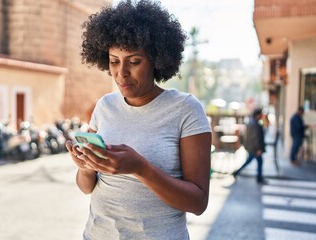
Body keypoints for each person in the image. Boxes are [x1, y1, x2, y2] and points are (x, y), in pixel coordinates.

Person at [65, 1, 212, 239]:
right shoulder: (104, 106)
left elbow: (197, 202)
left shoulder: (185, 109)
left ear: (156, 60)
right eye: (114, 61)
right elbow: (86, 187)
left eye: (134, 62)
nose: (121, 73)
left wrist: (140, 168)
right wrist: (86, 167)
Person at [233, 108, 266, 184]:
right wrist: (258, 149)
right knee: (258, 162)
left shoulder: (251, 122)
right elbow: (256, 138)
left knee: (249, 161)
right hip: (254, 148)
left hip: (251, 147)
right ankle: (259, 178)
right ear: (258, 115)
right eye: (261, 114)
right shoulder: (255, 124)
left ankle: (236, 172)